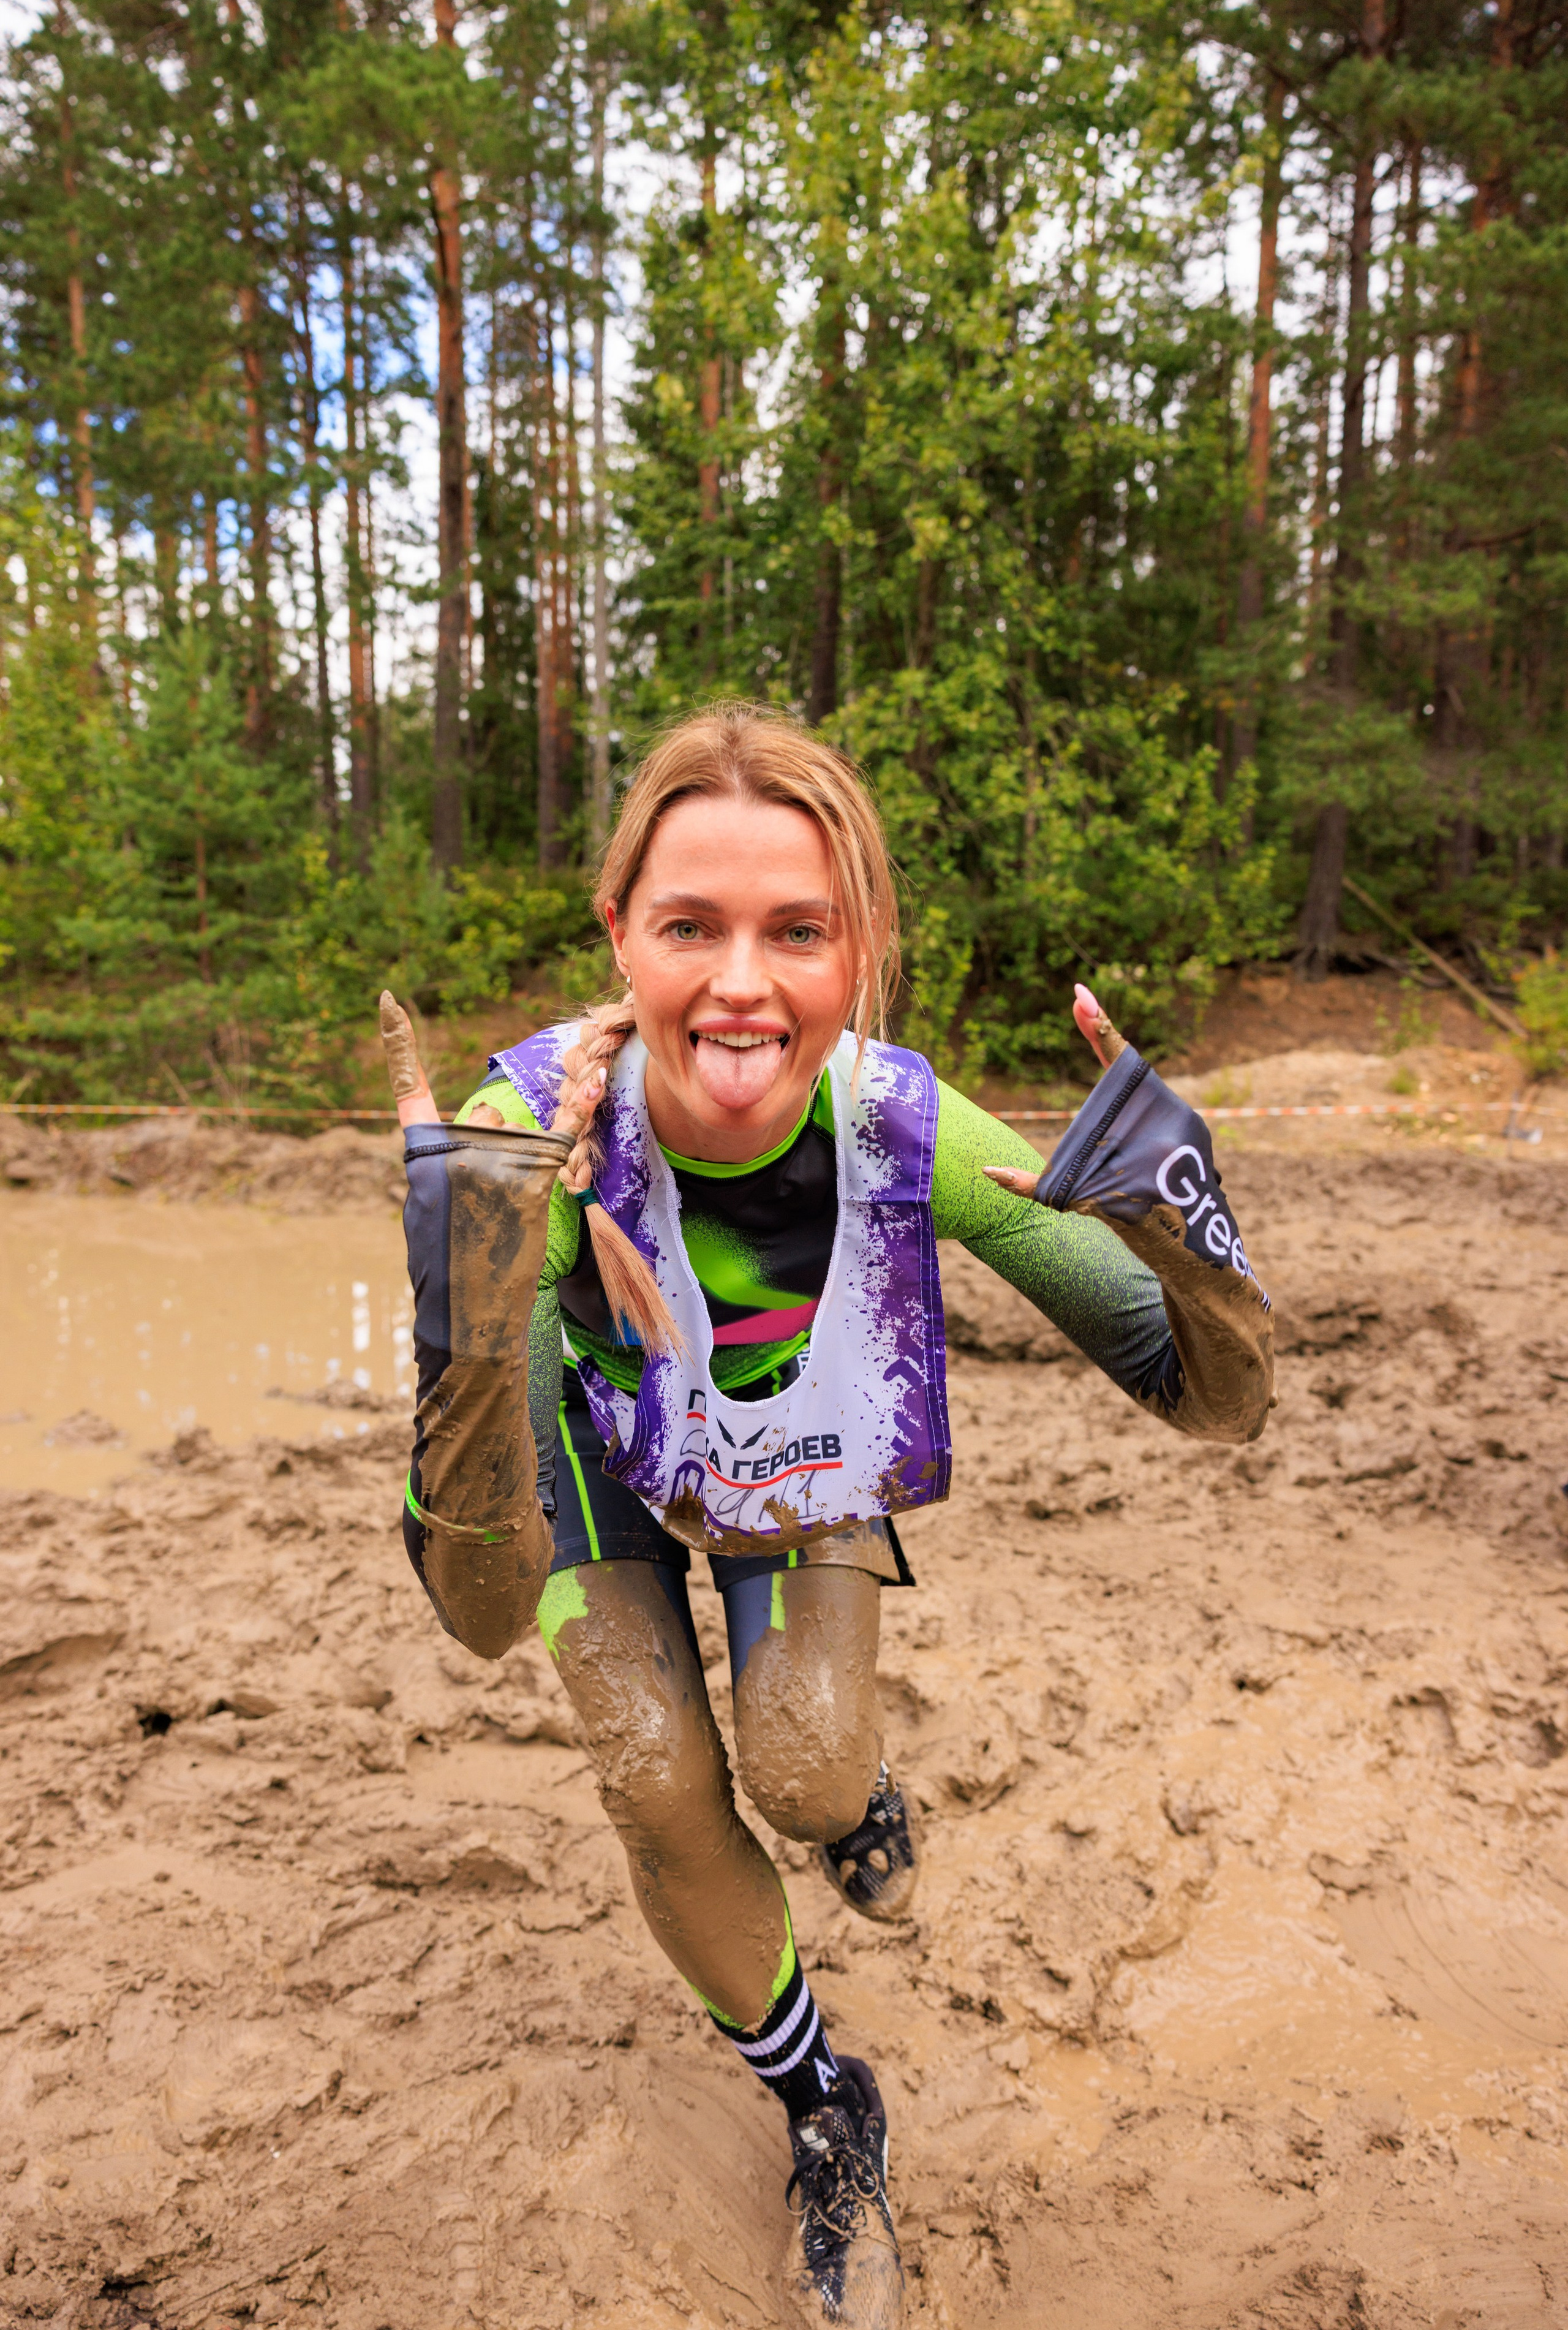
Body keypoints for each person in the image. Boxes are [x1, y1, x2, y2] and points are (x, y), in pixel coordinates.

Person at [382, 705, 1274, 2330]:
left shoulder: (904, 1125)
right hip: (601, 1465)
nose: (740, 983)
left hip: (806, 1454)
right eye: (690, 928)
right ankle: (822, 2100)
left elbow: (1210, 1396)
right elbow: (484, 1613)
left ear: (857, 953)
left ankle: (857, 1803)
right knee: (656, 1770)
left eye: (798, 931)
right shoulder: (521, 1140)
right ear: (619, 937)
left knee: (803, 1766)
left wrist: (1178, 1207)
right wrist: (467, 1321)